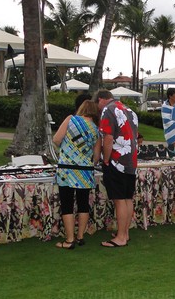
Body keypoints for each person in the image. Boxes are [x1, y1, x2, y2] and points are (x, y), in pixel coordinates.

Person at [53, 100, 101, 249]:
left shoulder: (71, 119)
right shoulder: (96, 130)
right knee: (83, 204)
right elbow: (97, 156)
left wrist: (68, 148)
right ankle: (80, 236)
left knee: (67, 204)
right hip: (85, 170)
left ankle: (69, 239)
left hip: (67, 169)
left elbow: (56, 139)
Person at [93, 89, 138, 247]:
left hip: (116, 161)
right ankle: (125, 233)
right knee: (127, 198)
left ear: (101, 100)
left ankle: (120, 238)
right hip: (131, 161)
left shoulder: (108, 110)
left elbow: (108, 137)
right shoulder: (130, 111)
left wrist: (106, 159)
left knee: (119, 200)